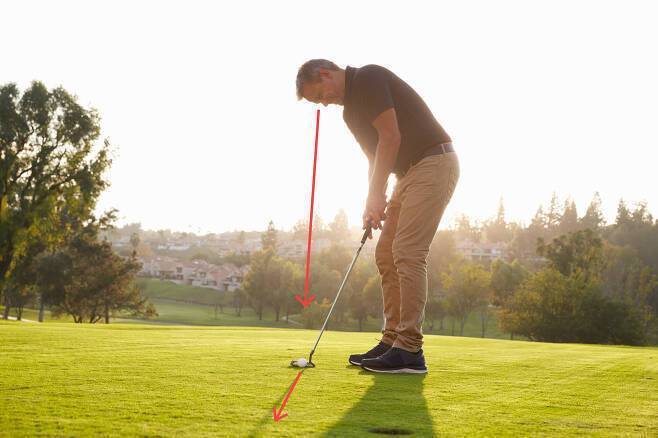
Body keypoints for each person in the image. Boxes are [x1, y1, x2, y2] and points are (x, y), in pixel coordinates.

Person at [296, 60, 459, 374]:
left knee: (408, 252)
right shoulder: (349, 113)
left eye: (321, 95)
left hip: (433, 163)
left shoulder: (368, 78)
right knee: (385, 253)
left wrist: (376, 194)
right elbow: (374, 156)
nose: (325, 103)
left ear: (326, 74)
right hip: (407, 174)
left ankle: (409, 350)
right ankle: (392, 340)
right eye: (319, 102)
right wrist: (372, 200)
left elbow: (390, 137)